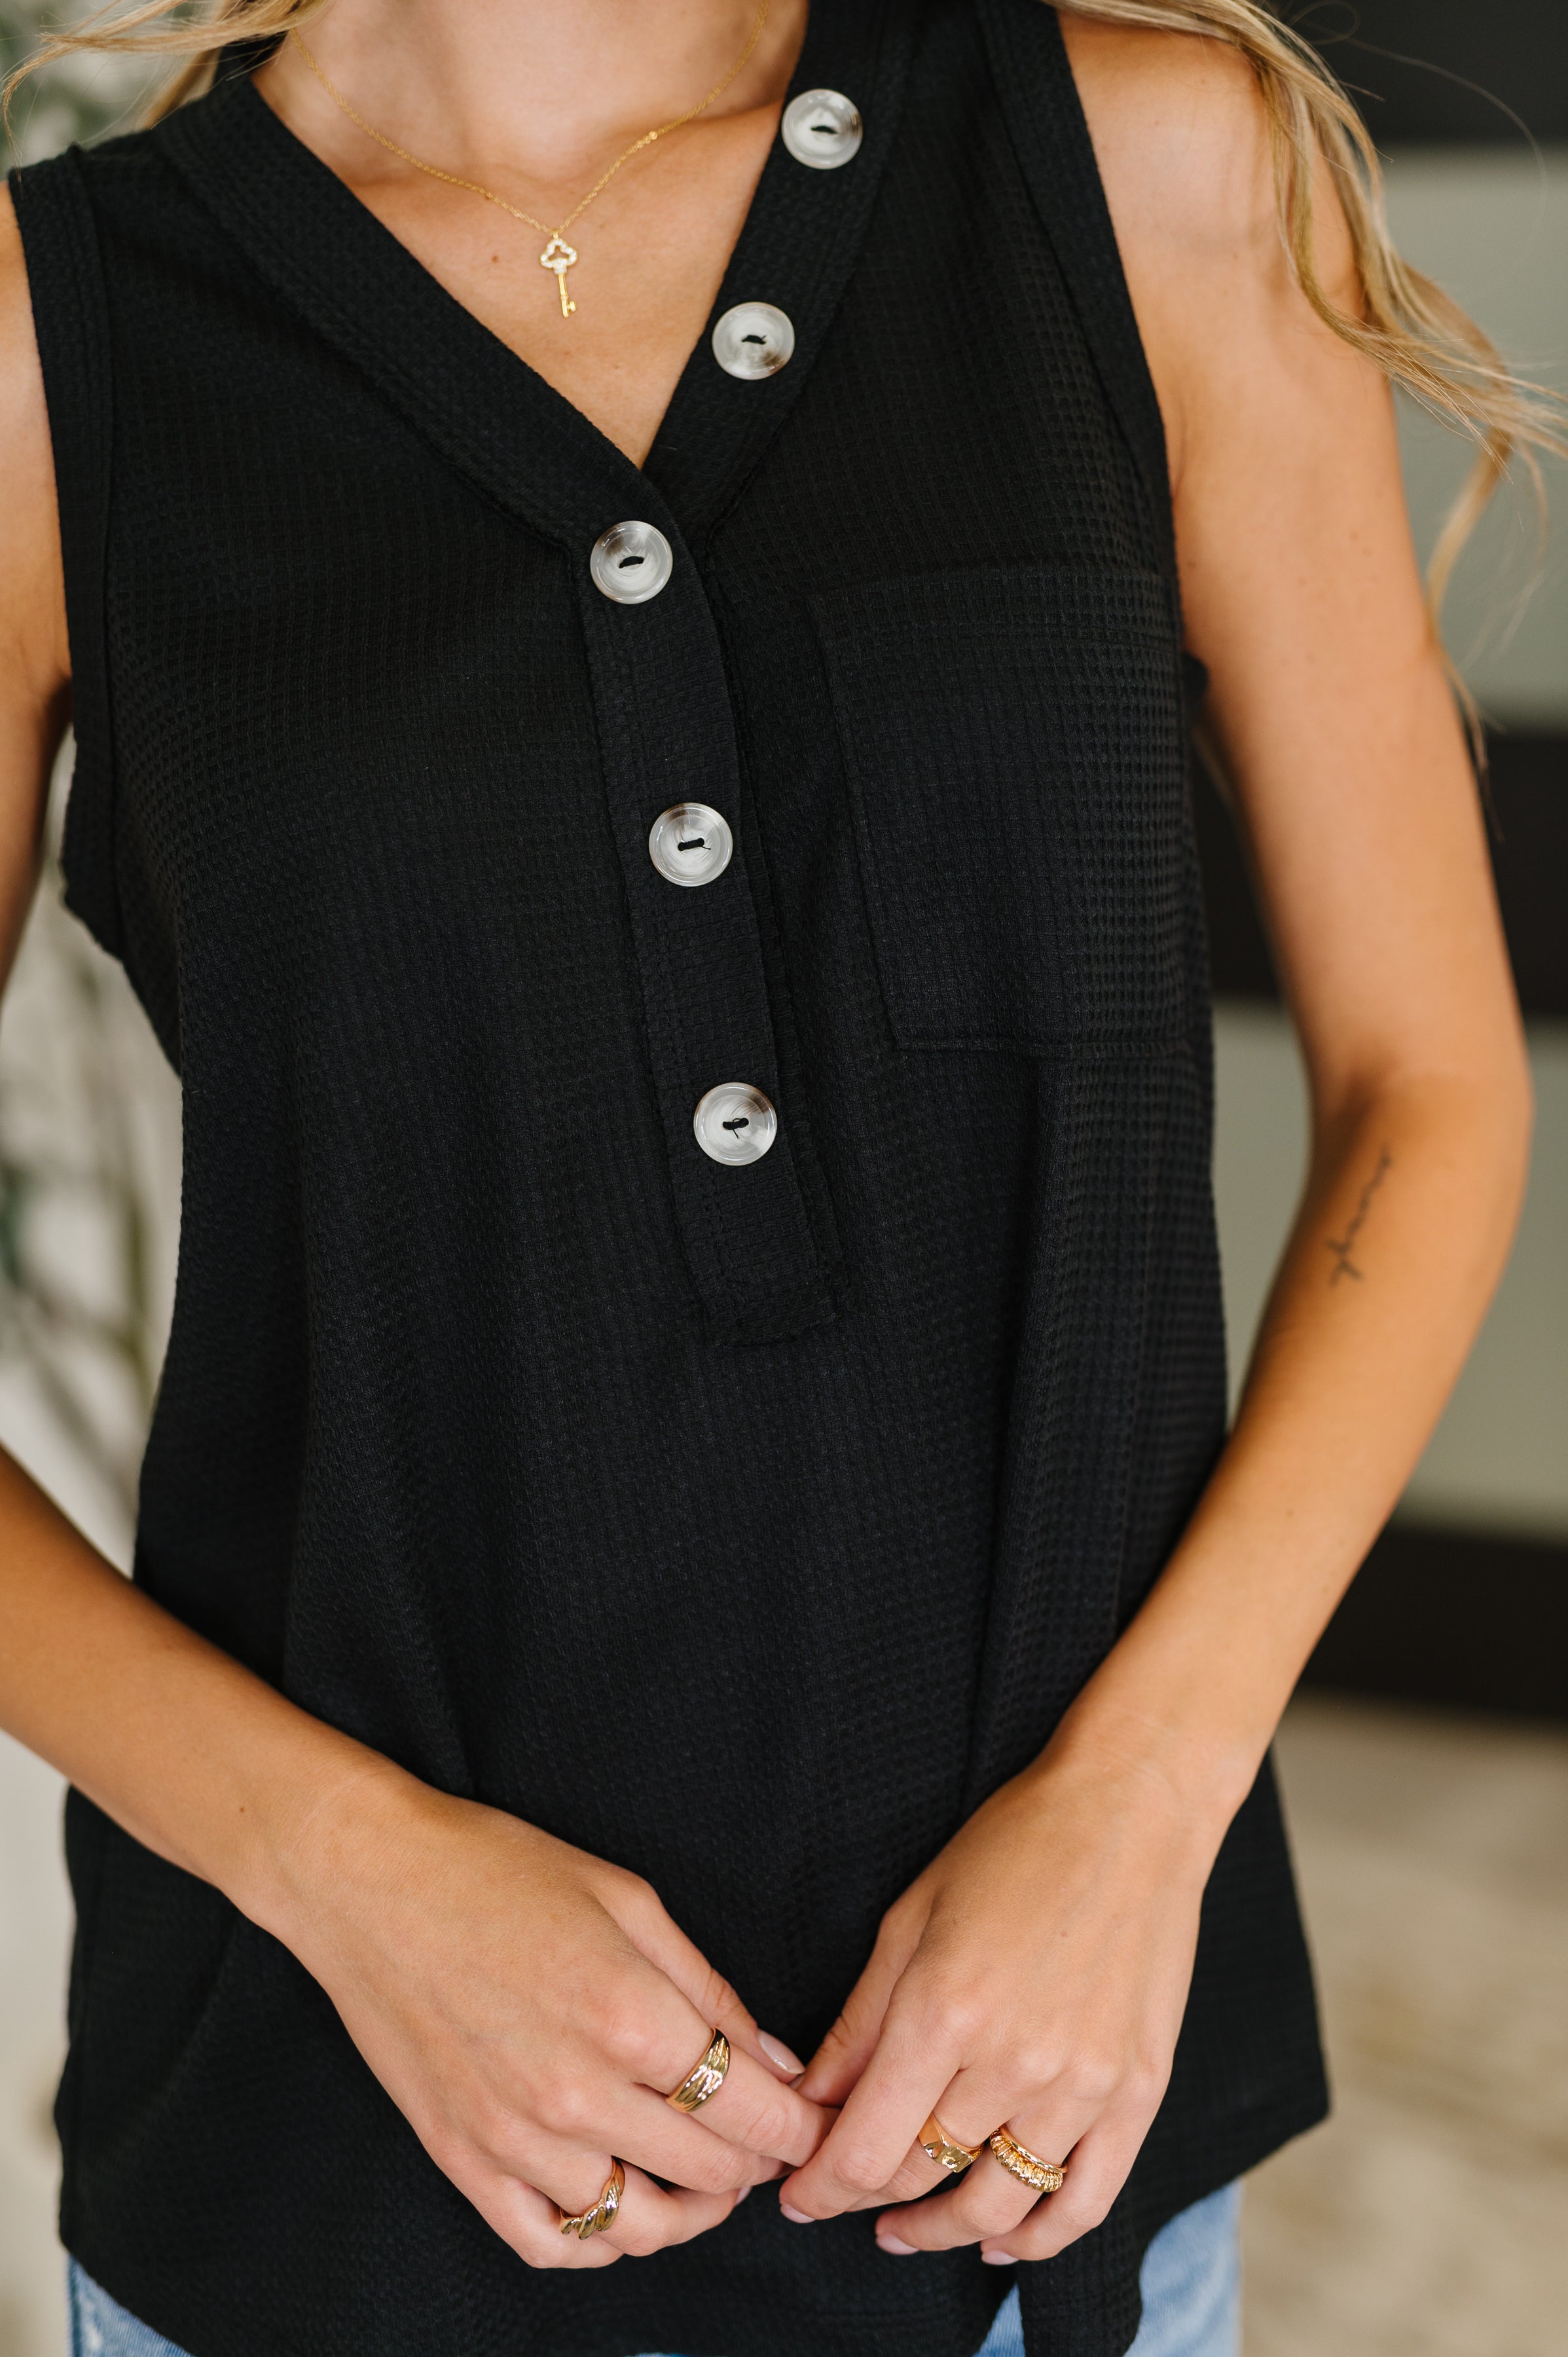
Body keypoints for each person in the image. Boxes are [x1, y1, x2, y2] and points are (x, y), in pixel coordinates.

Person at [0, 1, 1552, 2353]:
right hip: (344, 2165)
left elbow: (1430, 1088)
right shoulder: (51, 344)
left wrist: (1141, 1806)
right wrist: (355, 1883)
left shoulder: (1138, 172)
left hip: (1042, 2133)